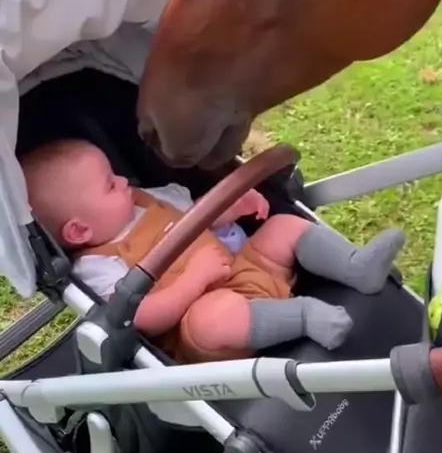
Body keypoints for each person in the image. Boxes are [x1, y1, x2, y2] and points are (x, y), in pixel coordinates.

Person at [20, 139, 405, 363]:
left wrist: (227, 209)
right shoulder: (97, 265)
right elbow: (142, 317)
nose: (123, 180)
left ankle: (357, 267)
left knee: (283, 228)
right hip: (199, 324)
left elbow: (197, 214)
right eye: (110, 184)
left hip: (244, 268)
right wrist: (195, 279)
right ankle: (305, 316)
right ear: (79, 230)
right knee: (212, 318)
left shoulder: (146, 200)